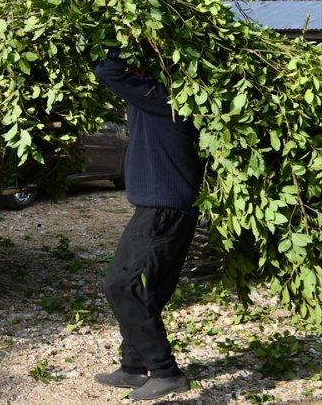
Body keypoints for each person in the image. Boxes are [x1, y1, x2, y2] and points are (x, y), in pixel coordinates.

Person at [93, 47, 202, 401]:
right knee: (148, 290)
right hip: (164, 208)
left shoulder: (167, 99)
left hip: (163, 208)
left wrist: (123, 40)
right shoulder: (159, 97)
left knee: (121, 285)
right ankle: (133, 367)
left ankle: (166, 372)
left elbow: (108, 71)